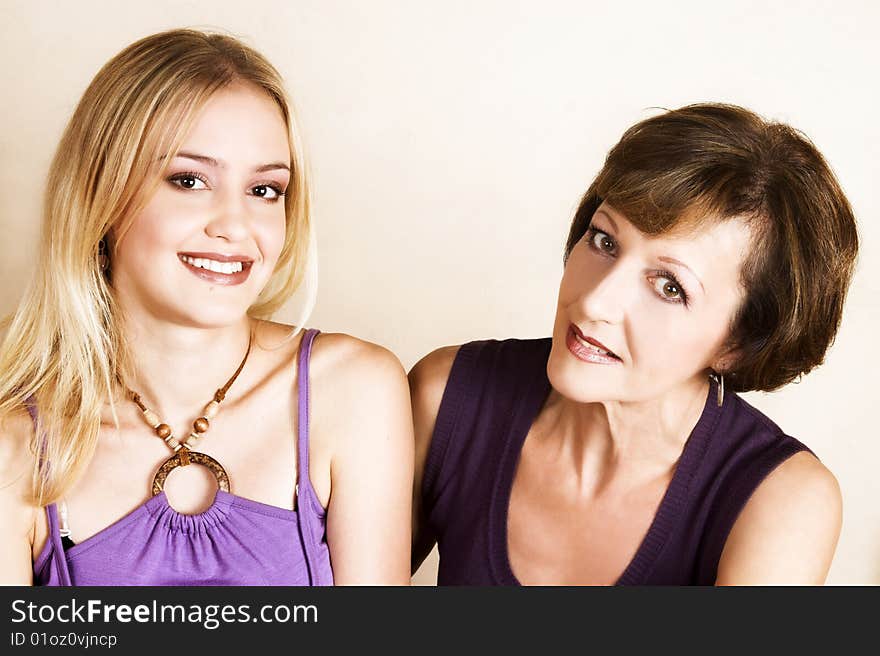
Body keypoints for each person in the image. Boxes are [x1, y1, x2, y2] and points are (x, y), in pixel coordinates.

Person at [0, 29, 413, 585]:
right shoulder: (18, 436)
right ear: (102, 196)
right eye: (188, 180)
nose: (236, 225)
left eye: (265, 190)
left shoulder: (352, 389)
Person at [410, 103, 859, 585]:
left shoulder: (778, 500)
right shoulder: (447, 399)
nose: (594, 302)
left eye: (669, 286)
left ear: (738, 345)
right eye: (604, 241)